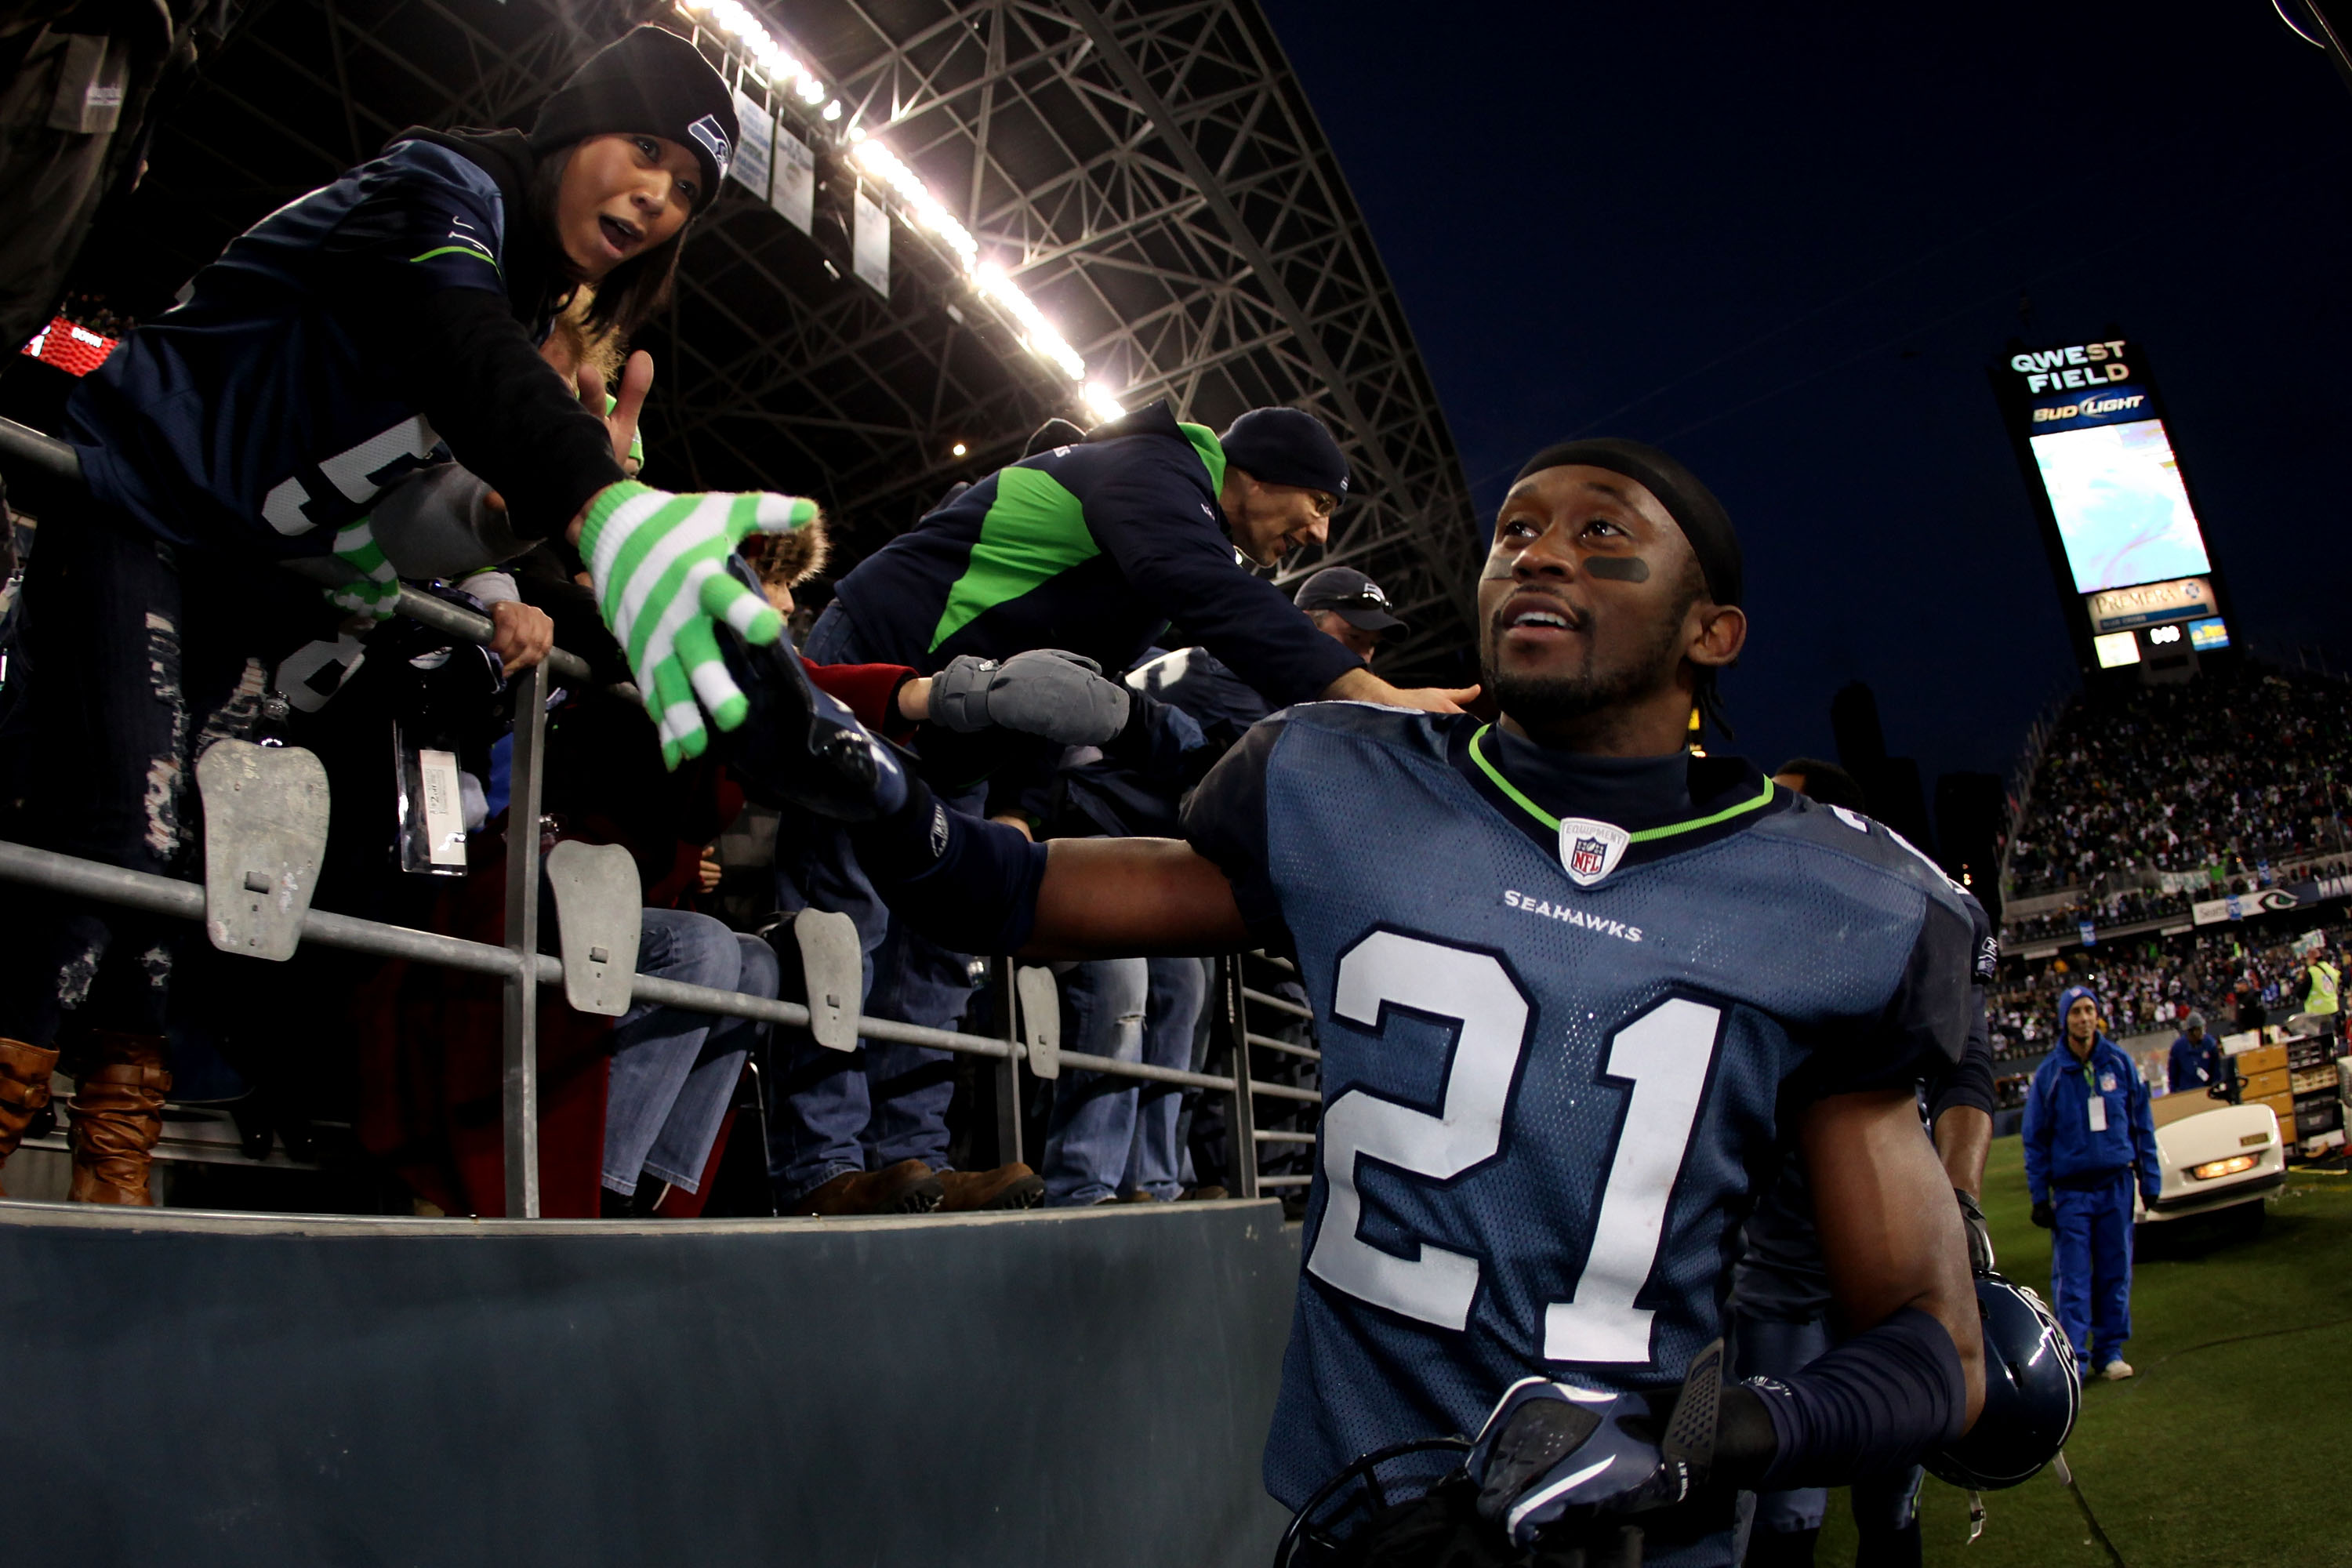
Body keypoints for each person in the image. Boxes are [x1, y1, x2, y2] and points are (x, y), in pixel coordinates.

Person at [749, 436, 1986, 1565]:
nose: (1541, 552)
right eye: (1514, 531)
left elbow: (1939, 1346)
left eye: (1602, 534)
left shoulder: (1836, 900)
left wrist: (1696, 1440)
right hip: (1358, 1528)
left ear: (1712, 633)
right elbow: (1011, 902)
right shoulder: (1349, 784)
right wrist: (853, 760)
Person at [0, 25, 826, 1205]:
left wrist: (518, 516)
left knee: (183, 864)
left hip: (244, 572)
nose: (658, 195)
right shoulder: (445, 188)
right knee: (123, 836)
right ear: (573, 127)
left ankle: (113, 1169)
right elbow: (459, 345)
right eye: (643, 149)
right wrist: (599, 499)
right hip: (141, 501)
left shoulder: (528, 292)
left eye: (688, 189)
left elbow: (408, 505)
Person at [1729, 771, 1999, 1568]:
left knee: (1893, 1492)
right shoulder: (1738, 921)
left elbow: (1967, 1067)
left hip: (1888, 1251)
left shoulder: (1911, 918)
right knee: (1782, 1506)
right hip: (1777, 1268)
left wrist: (1958, 1197)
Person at [2023, 985, 2160, 1383]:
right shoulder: (2050, 1074)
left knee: (2116, 1271)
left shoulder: (2119, 1063)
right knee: (2073, 1277)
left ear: (2097, 1015)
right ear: (2064, 1020)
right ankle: (2075, 1359)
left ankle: (2110, 1351)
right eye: (2076, 1012)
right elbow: (2035, 1140)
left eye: (2089, 1010)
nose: (2084, 1018)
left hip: (2117, 1184)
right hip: (2072, 1192)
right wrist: (2039, 1196)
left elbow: (2141, 1124)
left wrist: (2150, 1179)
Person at [2167, 1011, 2222, 1094]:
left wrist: (2215, 1088)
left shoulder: (2210, 1044)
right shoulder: (2178, 1047)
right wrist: (2174, 1093)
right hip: (2185, 1093)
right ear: (2193, 1031)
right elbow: (2173, 1075)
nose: (2203, 1033)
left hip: (2207, 1091)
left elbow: (2217, 1070)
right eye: (2200, 1029)